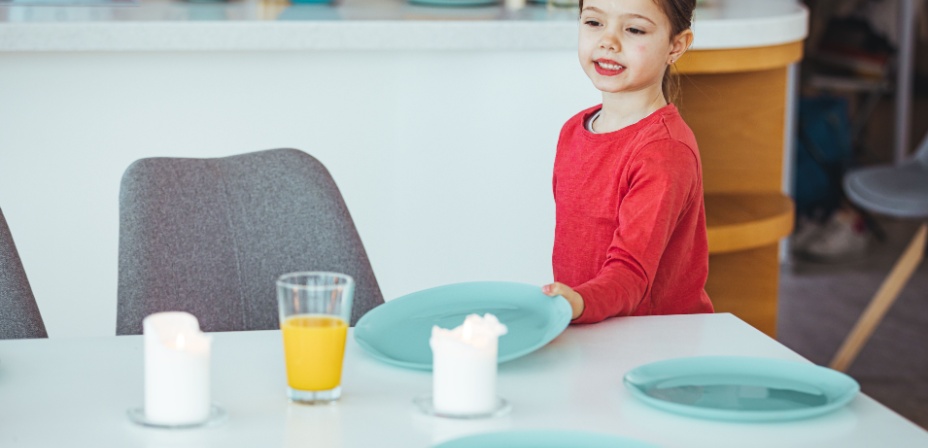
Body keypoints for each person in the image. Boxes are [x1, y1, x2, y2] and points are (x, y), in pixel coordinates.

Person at [541, 0, 713, 323]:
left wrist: (578, 303)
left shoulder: (664, 152)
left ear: (676, 46)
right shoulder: (572, 132)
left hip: (656, 342)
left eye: (633, 29)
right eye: (594, 23)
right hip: (595, 326)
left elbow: (630, 273)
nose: (609, 41)